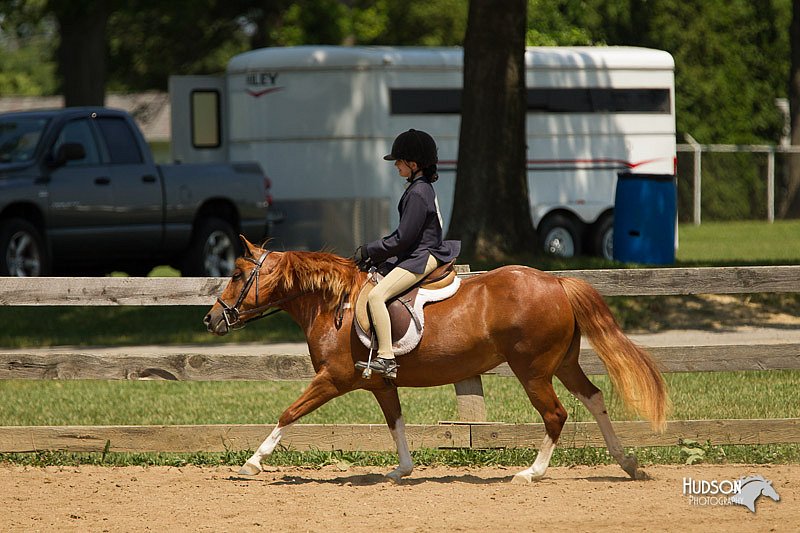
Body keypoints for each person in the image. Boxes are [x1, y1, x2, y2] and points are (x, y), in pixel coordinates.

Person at [354, 129, 461, 379]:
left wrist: (369, 249)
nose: (396, 166)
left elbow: (403, 238)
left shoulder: (418, 192)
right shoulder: (419, 188)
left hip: (422, 256)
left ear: (413, 164)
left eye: (399, 162)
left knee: (377, 296)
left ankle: (387, 358)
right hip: (419, 251)